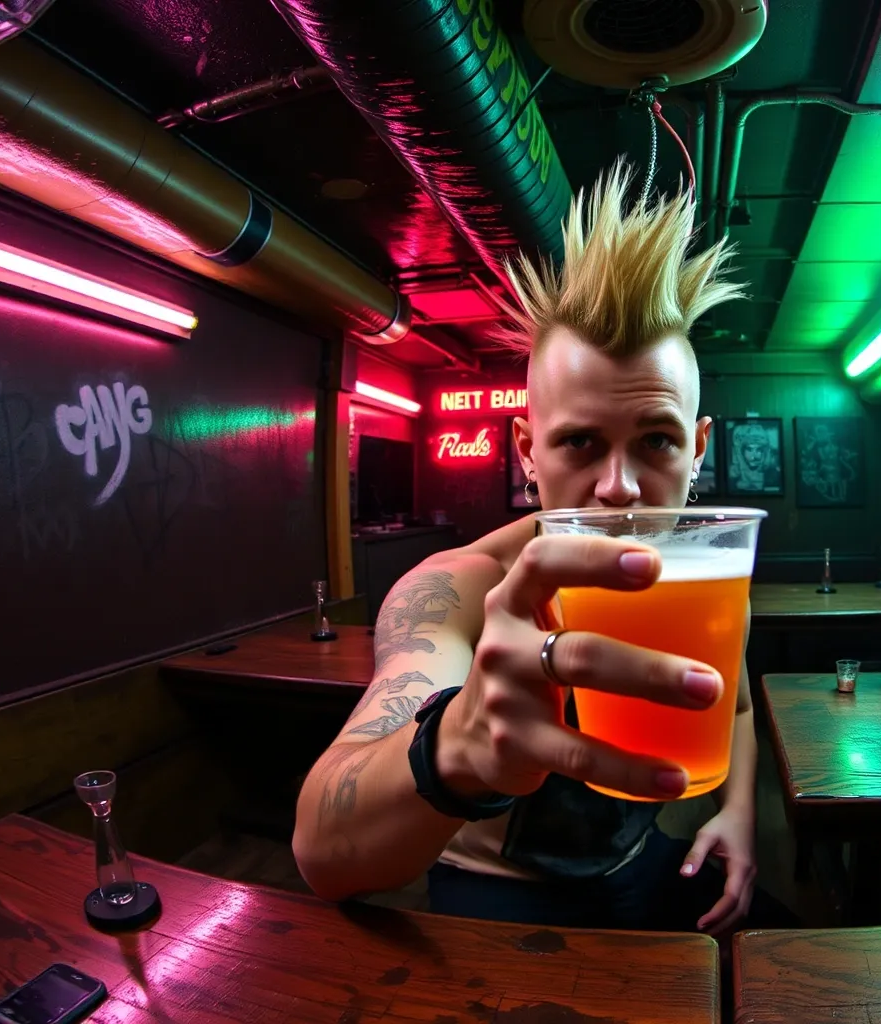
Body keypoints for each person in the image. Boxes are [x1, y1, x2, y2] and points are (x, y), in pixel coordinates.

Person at [292, 164, 770, 934]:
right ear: (526, 450)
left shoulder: (707, 578)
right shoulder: (458, 586)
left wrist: (739, 813)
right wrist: (456, 748)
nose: (618, 488)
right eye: (580, 442)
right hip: (499, 887)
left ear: (699, 449)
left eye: (657, 440)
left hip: (641, 857)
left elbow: (736, 706)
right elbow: (322, 853)